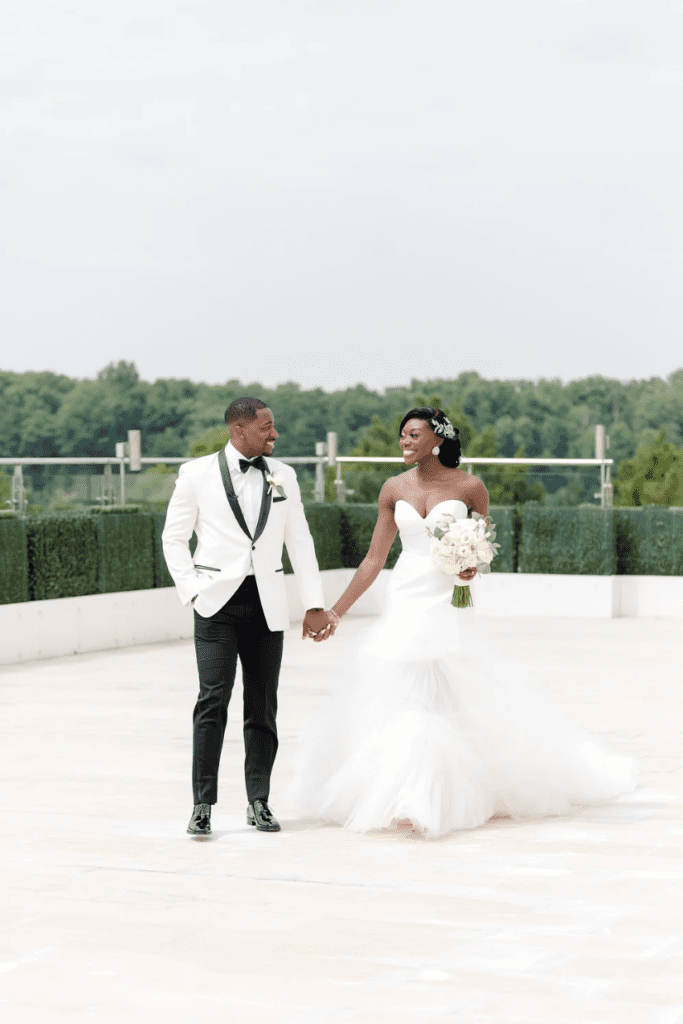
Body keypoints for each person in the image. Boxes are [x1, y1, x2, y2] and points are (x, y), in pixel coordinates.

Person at [291, 407, 635, 838]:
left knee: (450, 691)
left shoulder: (470, 487)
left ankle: (444, 792)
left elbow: (483, 547)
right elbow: (374, 559)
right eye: (402, 435)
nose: (405, 442)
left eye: (414, 434)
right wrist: (336, 612)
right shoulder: (393, 488)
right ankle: (406, 792)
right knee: (404, 693)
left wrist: (470, 567)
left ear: (437, 440)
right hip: (407, 596)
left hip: (449, 599)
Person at [163, 397, 335, 837]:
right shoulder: (195, 474)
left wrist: (314, 603)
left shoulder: (284, 476)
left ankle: (259, 800)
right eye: (266, 427)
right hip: (215, 605)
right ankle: (202, 804)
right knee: (212, 702)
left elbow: (301, 542)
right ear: (238, 430)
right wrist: (192, 590)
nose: (274, 434)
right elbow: (173, 538)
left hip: (267, 605)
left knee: (262, 706)